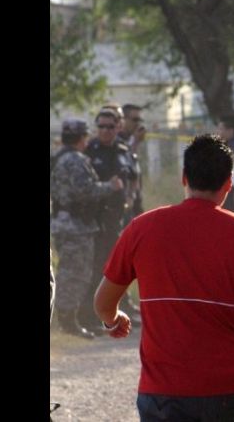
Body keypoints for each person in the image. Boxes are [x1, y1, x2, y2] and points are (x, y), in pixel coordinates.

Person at [94, 134, 234, 421]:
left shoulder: (141, 228)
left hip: (161, 390)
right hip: (230, 389)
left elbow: (103, 301)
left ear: (184, 177)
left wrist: (113, 320)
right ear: (228, 184)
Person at [50, 119, 123, 339]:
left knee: (69, 271)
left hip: (64, 221)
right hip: (75, 225)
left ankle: (69, 318)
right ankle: (67, 321)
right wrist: (111, 186)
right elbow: (85, 191)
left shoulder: (58, 158)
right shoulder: (75, 160)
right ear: (82, 138)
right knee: (75, 273)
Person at [84, 108, 142, 332]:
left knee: (120, 266)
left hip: (119, 217)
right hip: (95, 219)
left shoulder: (123, 149)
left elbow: (134, 177)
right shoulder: (89, 150)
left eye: (110, 126)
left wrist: (130, 197)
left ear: (118, 127)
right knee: (96, 266)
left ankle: (121, 308)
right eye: (101, 126)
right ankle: (92, 316)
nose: (105, 131)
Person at [119, 104, 146, 224]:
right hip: (123, 203)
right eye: (134, 120)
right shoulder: (117, 140)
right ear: (123, 120)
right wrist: (135, 142)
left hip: (135, 201)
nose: (137, 124)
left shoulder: (131, 139)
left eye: (139, 120)